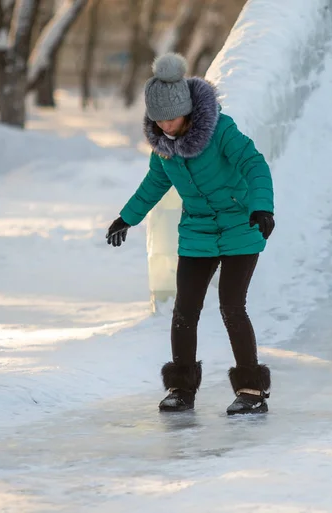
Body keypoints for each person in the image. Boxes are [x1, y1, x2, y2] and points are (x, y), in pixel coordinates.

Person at [106, 53, 275, 415]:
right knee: (185, 309)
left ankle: (251, 391)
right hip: (198, 229)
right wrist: (127, 218)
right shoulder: (164, 149)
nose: (165, 125)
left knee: (232, 305)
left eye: (171, 117)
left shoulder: (221, 131)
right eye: (158, 119)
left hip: (240, 225)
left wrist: (262, 207)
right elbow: (154, 183)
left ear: (187, 110)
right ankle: (181, 389)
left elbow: (254, 163)